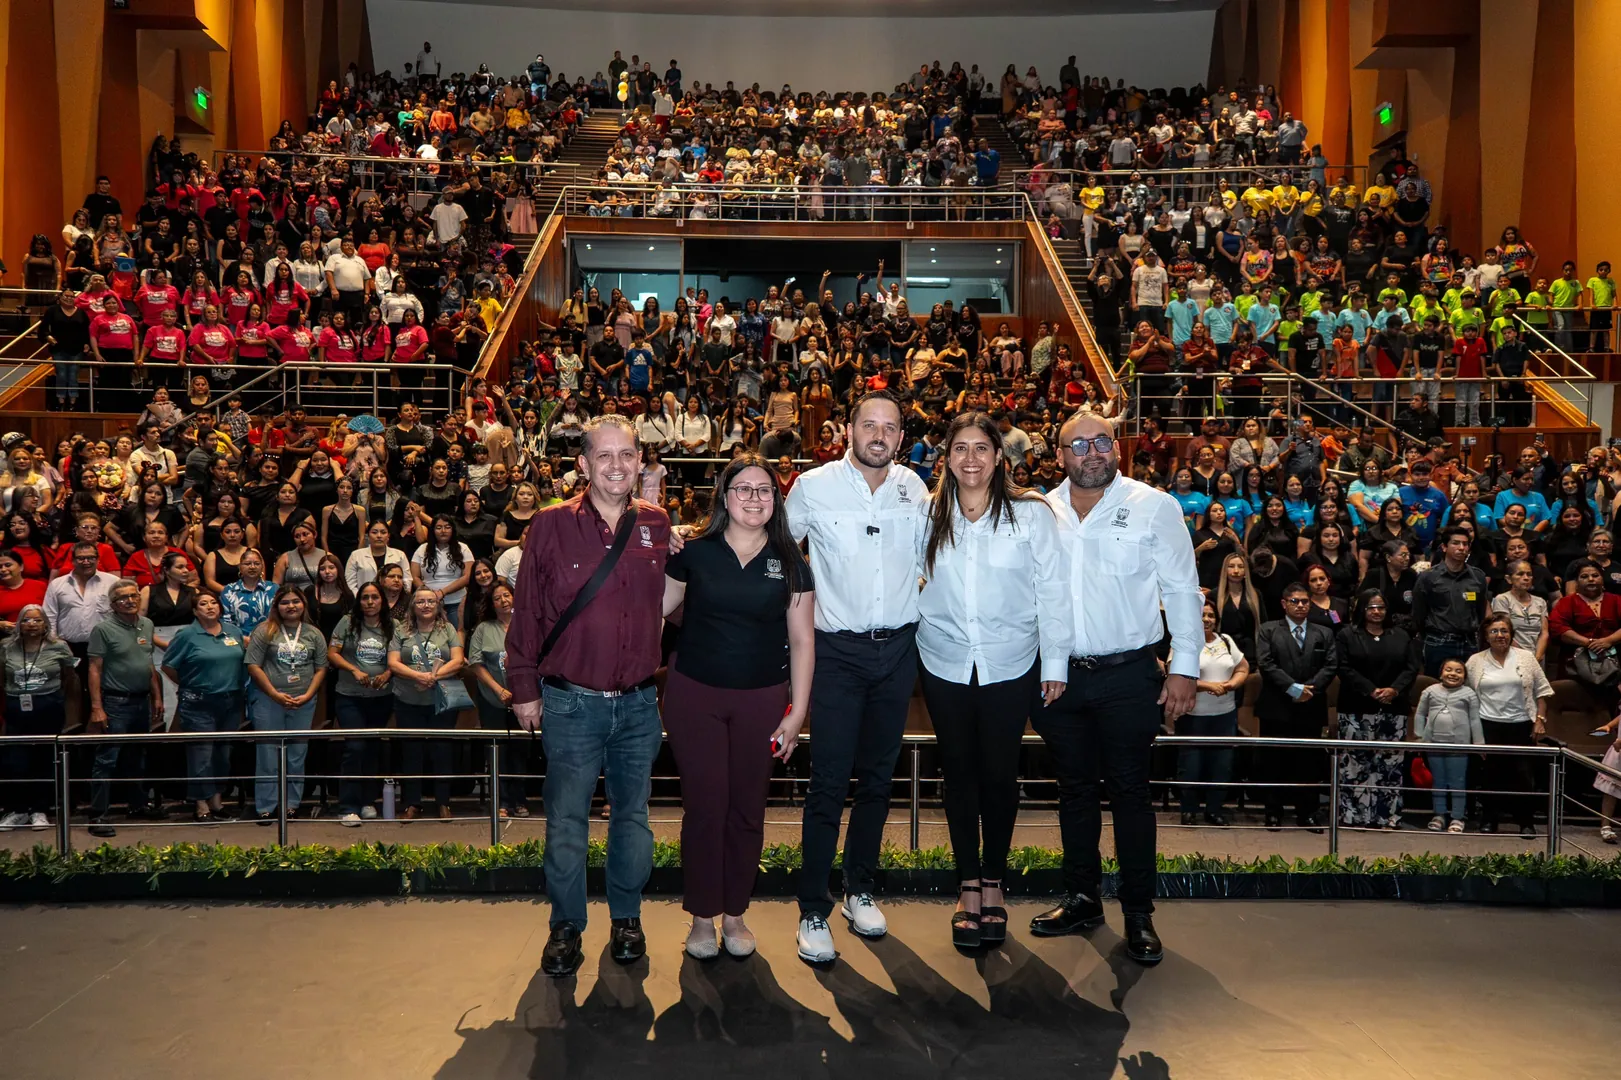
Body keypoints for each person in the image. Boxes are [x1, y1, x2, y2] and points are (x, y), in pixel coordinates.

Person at [1031, 413, 1200, 966]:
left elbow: (1182, 589)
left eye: (1102, 441)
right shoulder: (1039, 511)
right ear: (1061, 455)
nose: (1092, 452)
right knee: (1074, 792)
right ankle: (1081, 898)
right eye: (1078, 444)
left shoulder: (1155, 505)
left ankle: (1138, 913)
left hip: (1129, 674)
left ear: (1118, 448)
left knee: (1130, 793)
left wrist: (1185, 667)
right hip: (1059, 677)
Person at [507, 414, 670, 977]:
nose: (617, 466)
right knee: (566, 821)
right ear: (583, 464)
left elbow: (671, 602)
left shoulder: (657, 524)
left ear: (640, 461)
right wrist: (523, 688)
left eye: (627, 455)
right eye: (604, 455)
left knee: (633, 818)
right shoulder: (550, 525)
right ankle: (566, 926)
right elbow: (527, 610)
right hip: (570, 703)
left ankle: (627, 918)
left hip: (639, 705)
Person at [781, 390, 928, 964]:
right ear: (848, 429)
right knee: (828, 783)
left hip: (898, 652)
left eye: (890, 427)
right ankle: (812, 909)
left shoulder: (915, 489)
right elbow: (774, 547)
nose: (879, 435)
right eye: (869, 424)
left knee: (878, 781)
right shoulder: (813, 486)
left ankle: (858, 888)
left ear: (901, 437)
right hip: (837, 654)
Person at [915, 413, 1070, 949]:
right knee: (959, 774)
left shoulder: (1031, 513)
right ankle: (967, 887)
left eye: (982, 448)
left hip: (1011, 662)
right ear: (947, 457)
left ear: (1000, 456)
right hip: (944, 661)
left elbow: (1053, 590)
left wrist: (1055, 664)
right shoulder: (926, 513)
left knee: (1000, 775)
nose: (971, 459)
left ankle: (995, 883)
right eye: (960, 448)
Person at [660, 453, 814, 959]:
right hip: (694, 697)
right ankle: (702, 917)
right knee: (705, 808)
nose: (754, 498)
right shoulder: (693, 552)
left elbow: (803, 641)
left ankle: (735, 915)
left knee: (747, 810)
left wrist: (796, 712)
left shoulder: (791, 561)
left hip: (763, 701)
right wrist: (655, 543)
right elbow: (653, 611)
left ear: (776, 500)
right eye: (743, 488)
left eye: (764, 490)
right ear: (724, 497)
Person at [1255, 581, 1339, 830]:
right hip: (1277, 705)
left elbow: (1330, 665)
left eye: (1305, 602)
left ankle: (1307, 813)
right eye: (1295, 601)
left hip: (1311, 705)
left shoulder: (1324, 632)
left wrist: (1309, 689)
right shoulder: (1268, 630)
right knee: (1274, 761)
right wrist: (1293, 688)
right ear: (1284, 604)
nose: (1301, 606)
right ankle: (1273, 812)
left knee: (1309, 762)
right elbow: (1266, 663)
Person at [1334, 590, 1421, 828]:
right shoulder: (1347, 635)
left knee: (1389, 765)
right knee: (1355, 764)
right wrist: (1371, 690)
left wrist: (1394, 690)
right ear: (1361, 609)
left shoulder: (1400, 635)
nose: (1376, 612)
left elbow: (1411, 667)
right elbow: (1343, 667)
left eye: (1381, 607)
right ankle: (1354, 816)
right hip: (1355, 708)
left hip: (1393, 708)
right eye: (1371, 607)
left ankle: (1387, 816)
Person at [244, 585, 328, 823]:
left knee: (297, 755)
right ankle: (266, 805)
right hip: (268, 700)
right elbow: (253, 666)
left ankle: (291, 804)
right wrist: (274, 694)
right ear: (276, 606)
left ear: (303, 604)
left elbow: (321, 668)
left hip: (303, 701)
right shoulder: (264, 630)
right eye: (285, 602)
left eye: (295, 601)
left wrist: (308, 695)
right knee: (268, 754)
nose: (291, 606)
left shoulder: (314, 633)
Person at [85, 579, 163, 838]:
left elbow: (148, 662)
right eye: (123, 598)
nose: (130, 601)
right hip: (115, 702)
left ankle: (137, 805)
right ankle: (98, 814)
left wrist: (157, 696)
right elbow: (94, 669)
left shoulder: (146, 624)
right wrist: (97, 707)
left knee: (137, 756)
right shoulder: (103, 629)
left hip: (142, 700)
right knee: (107, 759)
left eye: (133, 595)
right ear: (113, 604)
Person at [160, 592, 246, 823]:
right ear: (195, 611)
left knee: (223, 754)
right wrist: (189, 684)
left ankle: (217, 802)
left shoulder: (233, 632)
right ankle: (201, 805)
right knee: (202, 755)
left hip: (230, 701)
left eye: (213, 603)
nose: (210, 607)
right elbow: (168, 666)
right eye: (203, 604)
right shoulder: (187, 635)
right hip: (198, 703)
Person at [1466, 612, 1553, 837]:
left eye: (1504, 631)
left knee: (1523, 775)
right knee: (1490, 775)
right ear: (1486, 636)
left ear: (1511, 634)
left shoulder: (1526, 657)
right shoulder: (1475, 661)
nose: (1500, 635)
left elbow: (1542, 691)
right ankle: (1489, 818)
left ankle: (1526, 821)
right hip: (1487, 725)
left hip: (1521, 724)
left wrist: (1540, 720)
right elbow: (1467, 695)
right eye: (1494, 631)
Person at [388, 587, 463, 821]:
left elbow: (458, 660)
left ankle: (443, 802)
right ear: (413, 606)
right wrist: (418, 676)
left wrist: (433, 677)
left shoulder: (447, 629)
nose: (426, 605)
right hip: (408, 700)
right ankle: (413, 803)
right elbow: (393, 662)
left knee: (442, 751)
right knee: (411, 752)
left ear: (438, 605)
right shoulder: (401, 630)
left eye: (431, 601)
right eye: (420, 602)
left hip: (441, 700)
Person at [0, 605, 76, 831]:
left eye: (37, 620)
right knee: (16, 761)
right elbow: (2, 677)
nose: (31, 624)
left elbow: (69, 676)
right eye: (26, 620)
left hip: (48, 707)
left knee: (44, 759)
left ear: (45, 624)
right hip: (16, 707)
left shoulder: (59, 646)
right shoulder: (6, 646)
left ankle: (40, 810)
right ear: (19, 624)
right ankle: (18, 810)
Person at [1174, 599, 1248, 827]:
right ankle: (1189, 810)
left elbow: (1243, 667)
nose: (1206, 619)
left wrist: (1232, 684)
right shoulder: (1184, 642)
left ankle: (1214, 810)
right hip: (1193, 716)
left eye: (1210, 615)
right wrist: (1208, 686)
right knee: (1191, 766)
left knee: (1222, 766)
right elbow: (1176, 675)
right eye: (1202, 615)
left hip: (1225, 715)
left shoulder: (1225, 640)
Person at [327, 581, 393, 826]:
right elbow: (332, 653)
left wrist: (388, 673)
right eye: (365, 597)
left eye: (375, 597)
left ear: (382, 600)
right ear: (359, 601)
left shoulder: (393, 626)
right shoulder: (347, 622)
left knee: (372, 749)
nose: (370, 602)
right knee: (355, 747)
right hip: (349, 696)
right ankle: (348, 807)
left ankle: (367, 801)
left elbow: (399, 657)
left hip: (382, 697)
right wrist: (353, 670)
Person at [1413, 658, 1482, 833]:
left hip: (1459, 746)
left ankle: (1458, 816)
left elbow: (1475, 719)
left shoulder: (1469, 693)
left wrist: (1479, 743)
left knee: (1458, 781)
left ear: (1465, 676)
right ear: (1441, 673)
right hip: (1434, 744)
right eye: (1448, 670)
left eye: (1459, 671)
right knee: (1438, 780)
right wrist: (1419, 737)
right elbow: (1420, 714)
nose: (1453, 674)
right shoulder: (1429, 691)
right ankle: (1439, 814)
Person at [1412, 526, 1490, 675]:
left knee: (1470, 684)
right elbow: (1418, 614)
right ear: (1444, 547)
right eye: (1456, 543)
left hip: (1468, 641)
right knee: (1435, 684)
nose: (1461, 548)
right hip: (1438, 641)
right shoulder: (1428, 577)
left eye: (1465, 544)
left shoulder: (1478, 576)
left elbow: (1480, 611)